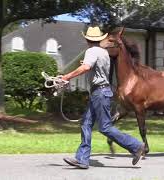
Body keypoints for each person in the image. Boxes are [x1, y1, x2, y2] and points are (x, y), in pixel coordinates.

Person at [62, 26, 145, 169]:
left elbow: (86, 68)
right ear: (99, 39)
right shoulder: (103, 52)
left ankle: (136, 146)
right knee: (86, 124)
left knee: (105, 127)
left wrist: (67, 76)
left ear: (87, 40)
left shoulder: (91, 51)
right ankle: (82, 159)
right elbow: (95, 67)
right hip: (101, 92)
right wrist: (85, 65)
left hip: (99, 93)